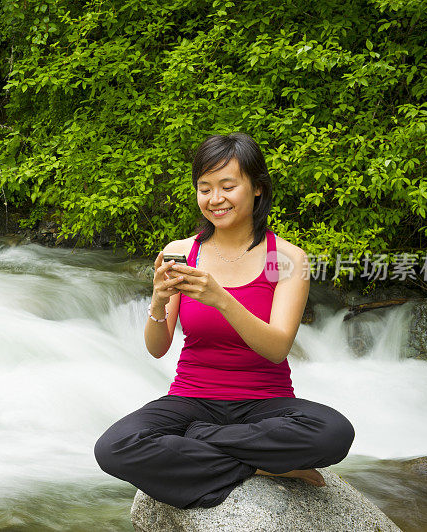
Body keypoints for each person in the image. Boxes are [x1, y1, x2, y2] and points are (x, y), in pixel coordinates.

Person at [93, 132, 355, 509]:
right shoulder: (181, 252)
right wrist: (158, 300)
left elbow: (277, 348)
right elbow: (156, 348)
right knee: (114, 447)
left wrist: (222, 300)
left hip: (265, 404)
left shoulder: (286, 259)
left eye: (228, 186)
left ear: (258, 189)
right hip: (192, 398)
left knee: (334, 433)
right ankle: (257, 465)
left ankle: (199, 445)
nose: (215, 199)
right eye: (205, 188)